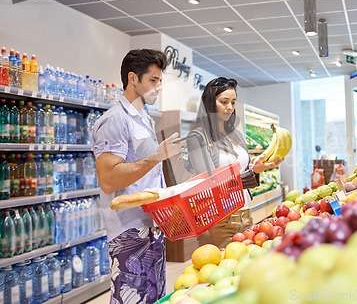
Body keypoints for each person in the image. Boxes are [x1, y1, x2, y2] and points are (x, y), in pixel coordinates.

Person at [92, 49, 182, 304]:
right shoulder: (115, 120)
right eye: (153, 80)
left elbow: (146, 174)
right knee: (130, 297)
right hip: (129, 232)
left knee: (154, 296)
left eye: (160, 81)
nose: (159, 87)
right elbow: (109, 179)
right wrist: (157, 156)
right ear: (133, 78)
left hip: (151, 224)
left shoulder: (143, 118)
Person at [186, 77, 282, 248]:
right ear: (209, 103)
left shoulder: (236, 135)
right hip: (218, 220)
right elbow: (208, 184)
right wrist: (249, 175)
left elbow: (244, 175)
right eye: (223, 102)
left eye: (233, 102)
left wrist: (258, 169)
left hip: (245, 213)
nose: (229, 107)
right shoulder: (197, 138)